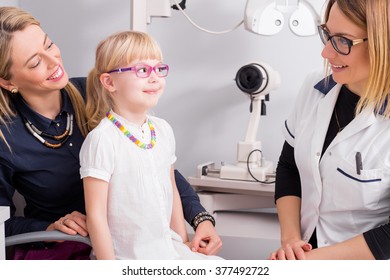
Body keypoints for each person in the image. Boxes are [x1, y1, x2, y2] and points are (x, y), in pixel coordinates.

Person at [0, 6, 221, 259]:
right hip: (63, 247)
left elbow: (155, 162)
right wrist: (48, 227)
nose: (54, 62)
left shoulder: (97, 93)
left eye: (48, 45)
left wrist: (199, 217)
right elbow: (2, 224)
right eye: (36, 62)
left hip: (132, 242)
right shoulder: (6, 137)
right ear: (8, 82)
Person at [80, 30, 222, 260]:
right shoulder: (102, 140)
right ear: (109, 82)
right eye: (142, 70)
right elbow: (96, 216)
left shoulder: (162, 129)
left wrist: (183, 241)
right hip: (128, 257)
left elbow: (172, 190)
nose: (155, 77)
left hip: (168, 248)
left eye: (159, 68)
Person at [269, 0, 390, 260]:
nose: (326, 53)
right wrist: (291, 240)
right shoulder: (315, 86)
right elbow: (289, 166)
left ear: (383, 44)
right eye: (327, 35)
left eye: (342, 41)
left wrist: (311, 262)